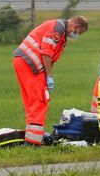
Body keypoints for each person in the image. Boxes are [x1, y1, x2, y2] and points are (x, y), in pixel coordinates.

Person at [12, 15, 88, 146]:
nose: (76, 36)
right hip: (31, 64)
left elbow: (51, 57)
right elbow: (46, 53)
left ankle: (31, 139)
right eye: (78, 33)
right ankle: (32, 143)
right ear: (75, 27)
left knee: (32, 101)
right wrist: (49, 75)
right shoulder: (57, 30)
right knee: (40, 101)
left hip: (23, 61)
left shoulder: (60, 32)